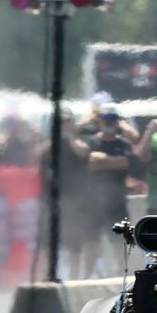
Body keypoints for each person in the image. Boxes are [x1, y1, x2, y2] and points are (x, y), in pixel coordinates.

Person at [39, 113, 94, 280]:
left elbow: (84, 153)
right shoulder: (49, 145)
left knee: (74, 243)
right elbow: (37, 156)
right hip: (52, 198)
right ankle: (50, 276)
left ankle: (74, 278)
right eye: (61, 123)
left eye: (67, 122)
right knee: (49, 241)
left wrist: (69, 137)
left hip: (75, 198)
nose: (64, 125)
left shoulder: (80, 141)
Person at [84, 105, 134, 276]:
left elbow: (125, 163)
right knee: (91, 240)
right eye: (106, 120)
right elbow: (90, 163)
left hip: (117, 199)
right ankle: (86, 276)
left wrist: (103, 159)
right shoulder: (92, 142)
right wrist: (114, 161)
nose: (109, 123)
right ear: (100, 121)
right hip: (94, 199)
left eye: (112, 120)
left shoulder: (123, 143)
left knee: (118, 240)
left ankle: (122, 274)